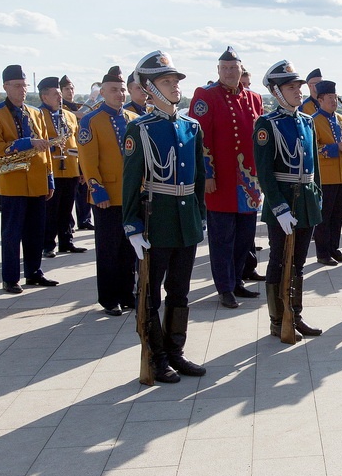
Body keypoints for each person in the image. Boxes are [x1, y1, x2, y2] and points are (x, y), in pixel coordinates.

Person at [122, 50, 207, 383]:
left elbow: (198, 177)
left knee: (180, 291)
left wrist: (199, 214)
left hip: (185, 222)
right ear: (150, 88)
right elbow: (131, 181)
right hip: (156, 222)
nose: (174, 87)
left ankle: (176, 352)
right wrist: (131, 225)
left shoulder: (191, 126)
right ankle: (156, 358)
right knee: (150, 293)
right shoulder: (140, 130)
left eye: (174, 81)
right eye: (166, 82)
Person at [253, 61, 324, 341]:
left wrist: (316, 196)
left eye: (298, 87)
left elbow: (313, 166)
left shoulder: (306, 121)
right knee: (279, 261)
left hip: (305, 200)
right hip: (283, 202)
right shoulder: (267, 124)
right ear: (276, 91)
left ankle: (296, 314)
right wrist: (278, 207)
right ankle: (277, 319)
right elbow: (265, 171)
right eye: (290, 87)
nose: (297, 92)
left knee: (299, 264)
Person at [189, 46, 263, 309]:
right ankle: (224, 288)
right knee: (222, 238)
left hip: (247, 183)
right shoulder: (205, 96)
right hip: (219, 181)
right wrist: (207, 174)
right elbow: (200, 139)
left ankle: (237, 281)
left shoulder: (254, 98)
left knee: (245, 237)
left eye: (234, 68)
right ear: (218, 71)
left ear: (242, 70)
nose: (230, 72)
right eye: (225, 68)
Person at [78, 66, 139, 315]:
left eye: (123, 90)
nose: (120, 94)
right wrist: (97, 189)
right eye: (114, 90)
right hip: (107, 196)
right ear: (102, 92)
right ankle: (109, 298)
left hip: (132, 195)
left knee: (129, 249)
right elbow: (87, 159)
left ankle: (127, 294)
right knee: (108, 250)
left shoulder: (134, 120)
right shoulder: (91, 120)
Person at [0, 64, 57, 294]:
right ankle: (10, 278)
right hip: (13, 182)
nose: (22, 90)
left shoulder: (36, 112)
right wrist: (25, 143)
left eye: (24, 86)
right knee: (12, 233)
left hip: (38, 180)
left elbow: (46, 147)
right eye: (17, 86)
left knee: (35, 231)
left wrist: (50, 178)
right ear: (5, 87)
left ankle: (34, 272)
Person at [38, 76, 86, 257]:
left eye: (60, 94)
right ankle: (48, 244)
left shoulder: (69, 115)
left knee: (67, 208)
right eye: (56, 94)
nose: (60, 98)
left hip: (71, 168)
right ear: (44, 97)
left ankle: (67, 241)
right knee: (51, 210)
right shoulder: (38, 115)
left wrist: (81, 168)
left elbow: (78, 142)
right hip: (51, 169)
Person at [312, 80, 342, 266]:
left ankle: (334, 248)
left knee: (338, 216)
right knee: (325, 216)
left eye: (335, 98)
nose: (334, 101)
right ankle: (322, 252)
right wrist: (336, 147)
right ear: (320, 100)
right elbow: (314, 149)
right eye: (330, 98)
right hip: (326, 176)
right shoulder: (313, 120)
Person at [61, 75, 95, 231]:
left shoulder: (79, 106)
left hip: (82, 151)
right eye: (67, 89)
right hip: (68, 155)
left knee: (84, 189)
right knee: (69, 194)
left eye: (72, 88)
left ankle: (85, 219)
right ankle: (69, 224)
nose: (70, 91)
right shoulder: (63, 109)